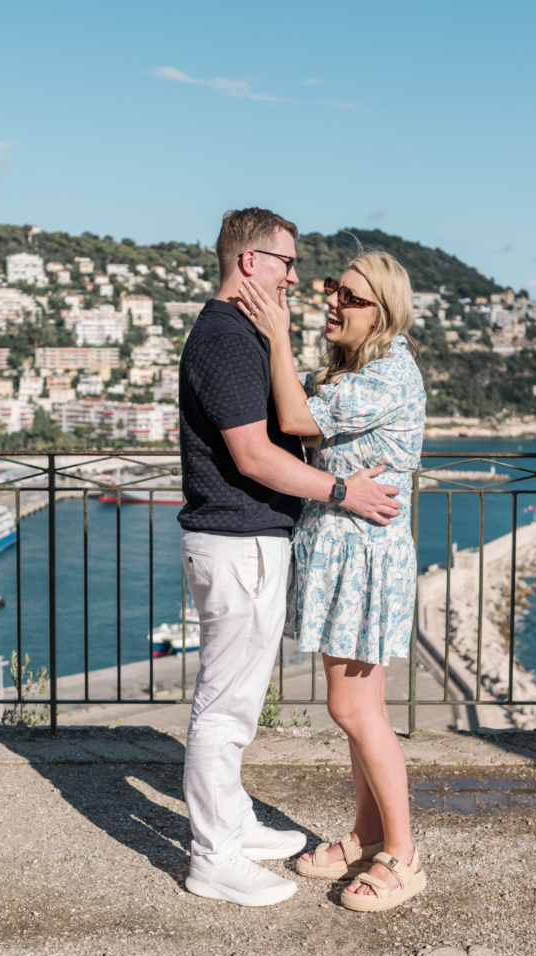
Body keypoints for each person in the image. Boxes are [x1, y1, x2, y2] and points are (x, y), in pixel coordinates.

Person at [177, 209, 404, 908]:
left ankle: (239, 825)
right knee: (225, 709)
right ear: (251, 262)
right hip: (239, 541)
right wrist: (342, 490)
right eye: (288, 263)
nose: (299, 279)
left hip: (263, 542)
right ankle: (213, 856)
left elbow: (294, 416)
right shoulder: (229, 338)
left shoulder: (244, 337)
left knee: (245, 704)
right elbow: (256, 452)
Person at [234, 249, 428, 912]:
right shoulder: (359, 371)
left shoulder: (388, 375)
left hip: (363, 560)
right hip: (344, 556)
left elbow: (294, 421)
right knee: (357, 712)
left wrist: (277, 333)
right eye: (332, 290)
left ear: (382, 312)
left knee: (353, 709)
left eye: (350, 296)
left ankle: (403, 856)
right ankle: (369, 834)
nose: (333, 303)